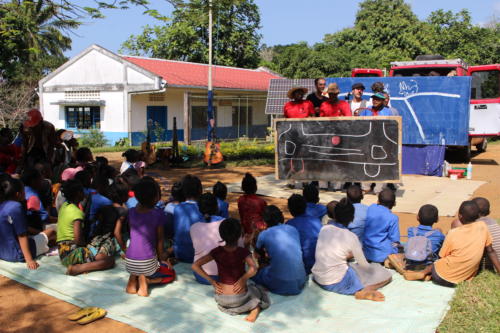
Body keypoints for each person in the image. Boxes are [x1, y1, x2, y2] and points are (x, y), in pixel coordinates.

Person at [312, 198, 392, 301]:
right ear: (352, 218)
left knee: (352, 267)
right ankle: (362, 291)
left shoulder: (324, 229)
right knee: (385, 274)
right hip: (337, 282)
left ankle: (358, 286)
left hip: (318, 277)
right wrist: (372, 269)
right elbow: (364, 266)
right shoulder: (351, 236)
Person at [404, 201, 500, 286]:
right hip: (464, 277)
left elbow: (442, 256)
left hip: (440, 276)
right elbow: (491, 251)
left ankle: (425, 273)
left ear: (460, 216)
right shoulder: (483, 226)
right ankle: (427, 275)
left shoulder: (453, 233)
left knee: (437, 262)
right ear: (478, 215)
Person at [192, 218, 269, 323]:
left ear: (221, 235)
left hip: (223, 299)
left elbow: (195, 265)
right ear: (239, 235)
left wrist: (212, 282)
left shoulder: (216, 252)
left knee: (250, 288)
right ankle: (254, 308)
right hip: (240, 298)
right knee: (257, 289)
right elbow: (254, 268)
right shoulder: (243, 252)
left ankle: (241, 308)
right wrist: (243, 279)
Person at [125, 179, 175, 297]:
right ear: (155, 197)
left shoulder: (131, 212)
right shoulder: (158, 214)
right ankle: (145, 281)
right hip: (147, 263)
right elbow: (160, 240)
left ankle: (132, 282)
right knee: (170, 273)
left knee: (138, 263)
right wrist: (162, 259)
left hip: (129, 260)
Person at [56, 179, 115, 275]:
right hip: (73, 253)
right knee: (109, 261)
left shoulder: (64, 206)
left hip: (62, 253)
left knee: (95, 250)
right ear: (79, 193)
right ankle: (78, 269)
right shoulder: (77, 213)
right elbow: (78, 239)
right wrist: (88, 245)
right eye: (82, 191)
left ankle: (82, 264)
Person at [0, 176, 55, 269]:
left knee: (41, 235)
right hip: (18, 254)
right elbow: (22, 235)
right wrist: (29, 259)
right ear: (18, 194)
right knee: (52, 231)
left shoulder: (2, 205)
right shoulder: (16, 206)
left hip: (3, 253)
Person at [252, 205, 307, 295]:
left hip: (281, 284)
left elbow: (257, 253)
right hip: (301, 279)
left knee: (257, 275)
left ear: (265, 221)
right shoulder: (292, 229)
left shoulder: (264, 234)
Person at [388, 204, 445, 273]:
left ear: (417, 217)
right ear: (437, 219)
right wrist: (439, 231)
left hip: (410, 262)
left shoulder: (411, 230)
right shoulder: (439, 235)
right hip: (427, 265)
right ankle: (425, 273)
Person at [358, 92, 395, 193]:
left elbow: (393, 127)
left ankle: (379, 189)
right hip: (368, 143)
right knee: (367, 164)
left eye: (378, 99)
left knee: (382, 166)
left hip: (382, 143)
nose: (375, 101)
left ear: (383, 101)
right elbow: (359, 124)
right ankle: (365, 187)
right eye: (373, 99)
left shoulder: (388, 112)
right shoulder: (367, 110)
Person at [452, 198, 500, 270]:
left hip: (487, 264)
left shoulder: (475, 226)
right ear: (489, 212)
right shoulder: (494, 222)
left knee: (456, 224)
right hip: (497, 262)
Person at [190, 193, 226, 284]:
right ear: (217, 206)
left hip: (200, 275)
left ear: (199, 209)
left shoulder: (194, 227)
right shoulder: (227, 223)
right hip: (225, 276)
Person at [286, 194, 322, 274]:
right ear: (305, 206)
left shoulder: (289, 225)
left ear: (290, 209)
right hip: (319, 263)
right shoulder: (316, 221)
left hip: (303, 267)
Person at [363, 189, 401, 263]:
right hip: (383, 254)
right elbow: (394, 240)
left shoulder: (371, 207)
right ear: (394, 204)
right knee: (396, 246)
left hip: (365, 251)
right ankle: (388, 260)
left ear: (378, 201)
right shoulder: (393, 218)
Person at [173, 174, 203, 262]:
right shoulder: (202, 208)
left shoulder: (177, 208)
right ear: (200, 191)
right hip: (198, 255)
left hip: (179, 253)